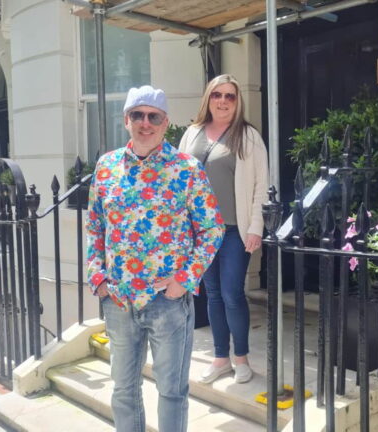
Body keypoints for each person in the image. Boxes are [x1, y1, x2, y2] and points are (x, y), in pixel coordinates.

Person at [86, 85, 224, 432]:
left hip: (167, 302)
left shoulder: (187, 169)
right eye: (138, 115)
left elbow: (212, 230)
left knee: (172, 392)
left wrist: (184, 281)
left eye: (153, 117)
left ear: (165, 124)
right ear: (126, 120)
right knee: (123, 390)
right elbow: (94, 227)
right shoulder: (106, 167)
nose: (145, 123)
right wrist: (97, 277)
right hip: (118, 300)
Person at [178, 74, 268, 384]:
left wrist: (256, 227)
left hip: (233, 230)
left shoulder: (248, 136)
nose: (223, 101)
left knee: (232, 293)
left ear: (237, 101)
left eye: (230, 96)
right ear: (208, 98)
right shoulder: (192, 134)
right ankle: (220, 359)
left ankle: (240, 358)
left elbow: (260, 185)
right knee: (212, 294)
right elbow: (179, 182)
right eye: (217, 95)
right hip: (201, 231)